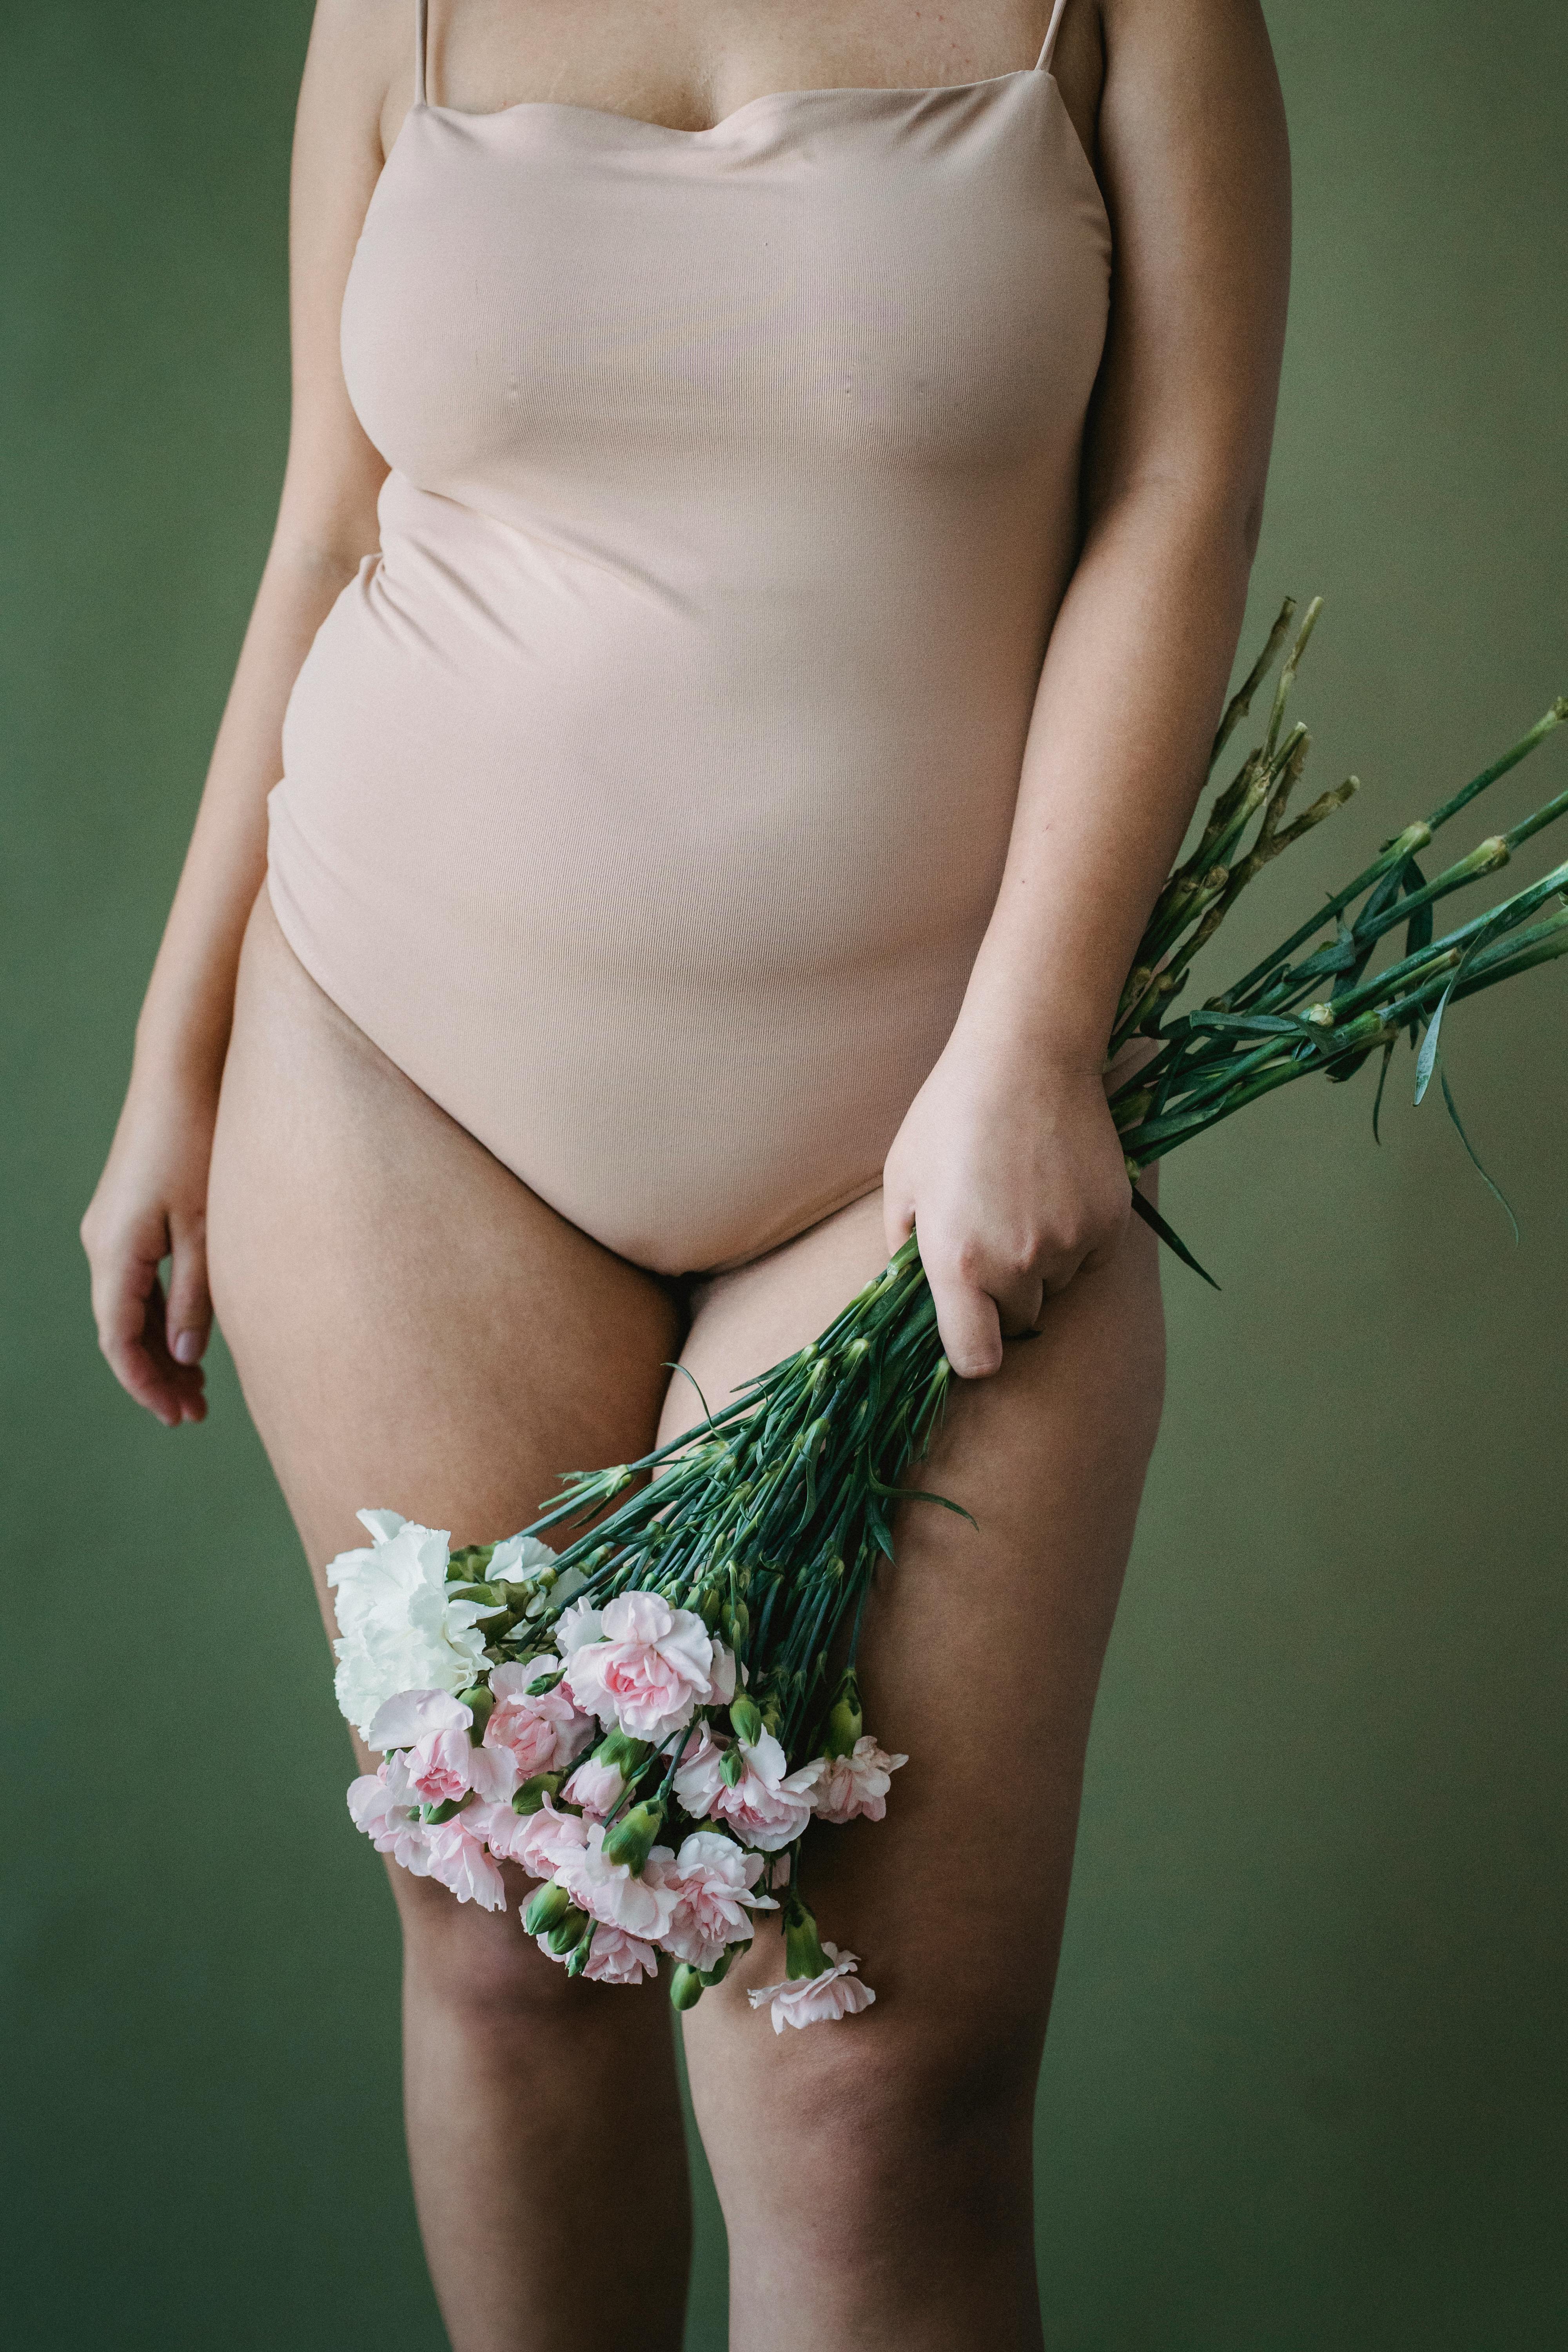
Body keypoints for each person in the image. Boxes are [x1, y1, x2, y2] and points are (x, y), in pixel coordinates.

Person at [80, 1, 1289, 2344]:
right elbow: (331, 516)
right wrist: (176, 1045)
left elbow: (1179, 493)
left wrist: (1036, 1043)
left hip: (927, 1134)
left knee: (876, 2089)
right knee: (513, 1956)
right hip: (397, 1067)